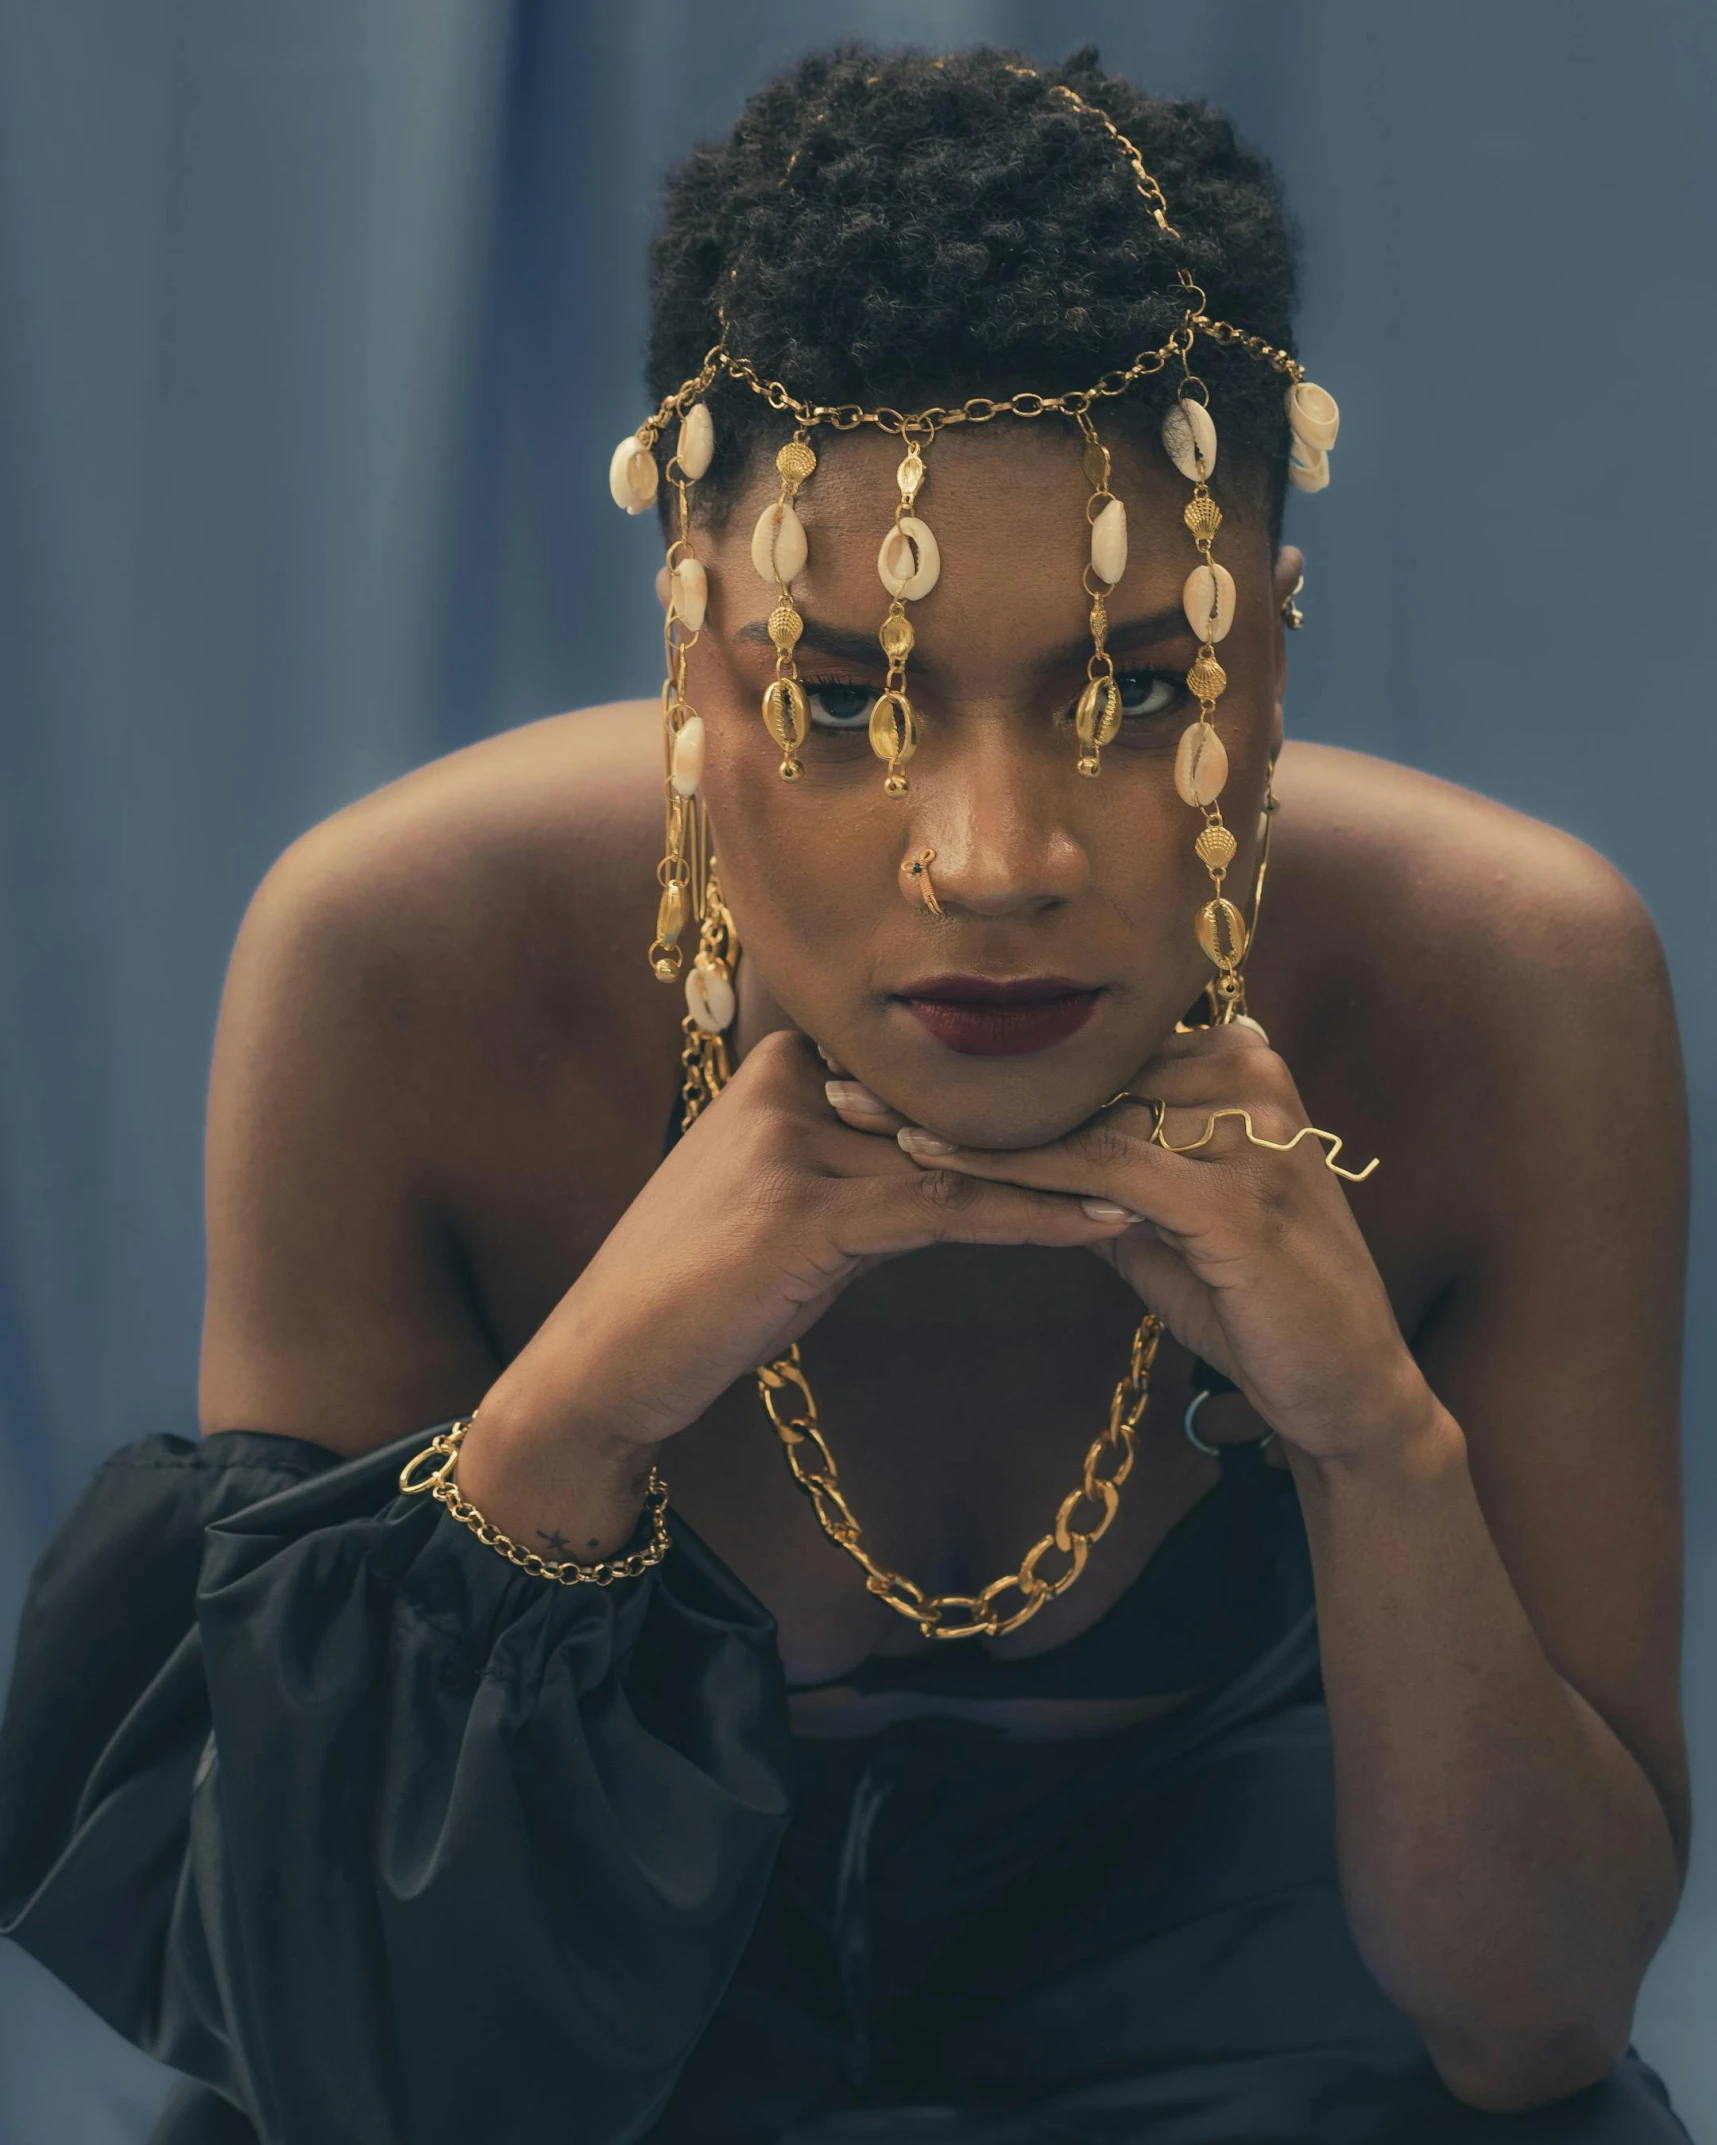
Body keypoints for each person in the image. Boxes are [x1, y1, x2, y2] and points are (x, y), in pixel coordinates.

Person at [0, 42, 1695, 2145]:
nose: (993, 859)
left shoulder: (1510, 994)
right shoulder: (397, 970)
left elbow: (1533, 2029)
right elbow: (355, 2060)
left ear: (1275, 641)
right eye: (839, 697)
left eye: (1141, 684)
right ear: (687, 662)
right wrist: (571, 1416)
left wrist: (1373, 1441)